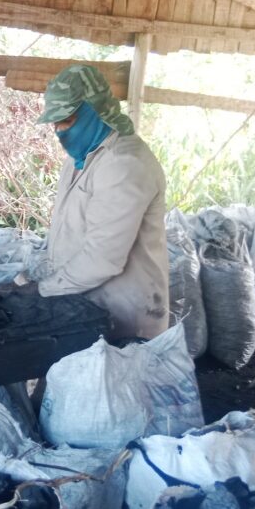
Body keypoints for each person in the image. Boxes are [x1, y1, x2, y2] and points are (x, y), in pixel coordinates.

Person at [31, 64, 168, 341]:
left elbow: (103, 258)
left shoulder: (124, 163)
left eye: (67, 120)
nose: (59, 131)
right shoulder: (79, 159)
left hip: (125, 319)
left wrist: (42, 290)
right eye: (55, 123)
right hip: (86, 307)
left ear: (95, 110)